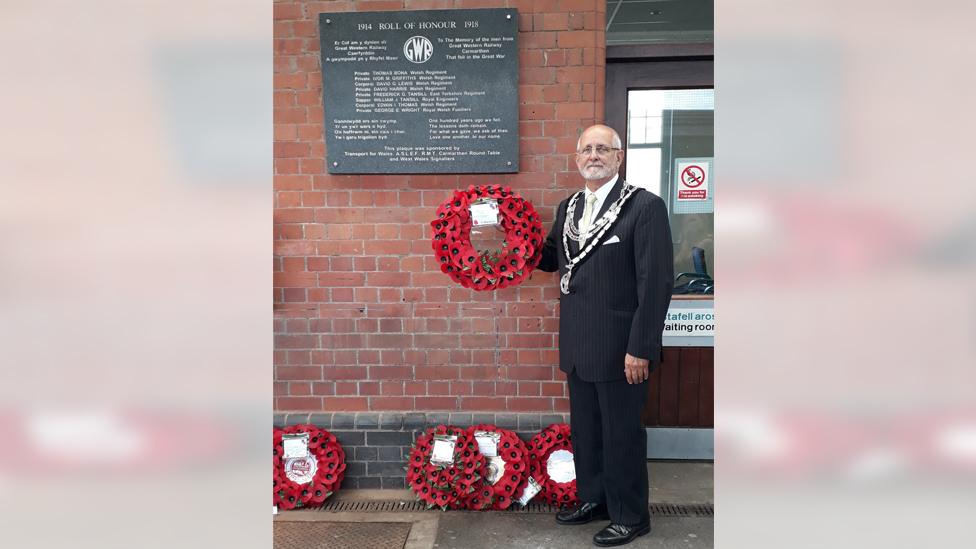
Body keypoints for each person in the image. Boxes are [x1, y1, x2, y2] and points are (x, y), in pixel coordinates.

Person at [537, 124, 673, 547]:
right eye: (587, 149)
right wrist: (511, 239)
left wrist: (641, 346)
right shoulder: (569, 207)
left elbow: (656, 283)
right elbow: (553, 258)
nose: (594, 155)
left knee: (622, 436)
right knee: (588, 433)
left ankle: (631, 515)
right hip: (578, 344)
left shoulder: (644, 207)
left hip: (621, 349)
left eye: (603, 148)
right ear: (577, 158)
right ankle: (593, 499)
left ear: (619, 157)